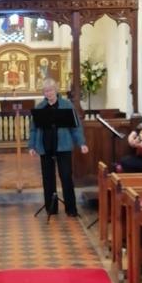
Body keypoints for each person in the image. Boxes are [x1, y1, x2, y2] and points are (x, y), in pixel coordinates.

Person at [28, 78, 89, 217]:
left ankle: (71, 209)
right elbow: (33, 129)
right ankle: (51, 208)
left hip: (63, 146)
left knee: (66, 176)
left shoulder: (67, 105)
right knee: (48, 178)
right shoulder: (40, 108)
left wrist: (82, 143)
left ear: (56, 90)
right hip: (46, 146)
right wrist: (32, 146)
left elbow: (76, 127)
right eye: (45, 91)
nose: (48, 93)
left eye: (50, 90)